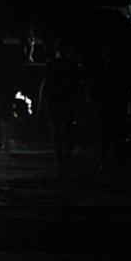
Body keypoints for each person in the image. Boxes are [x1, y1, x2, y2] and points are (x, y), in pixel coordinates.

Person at [38, 39, 84, 178]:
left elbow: (45, 85)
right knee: (68, 132)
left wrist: (40, 104)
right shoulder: (72, 64)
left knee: (57, 133)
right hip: (67, 101)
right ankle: (66, 161)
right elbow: (78, 84)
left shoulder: (52, 64)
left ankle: (61, 162)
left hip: (55, 101)